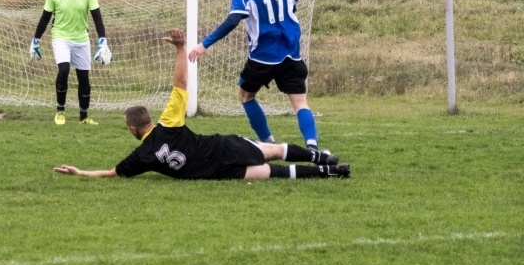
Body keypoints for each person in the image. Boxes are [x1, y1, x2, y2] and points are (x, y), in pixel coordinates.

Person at [53, 29, 349, 181]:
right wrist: (181, 49)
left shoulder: (142, 156)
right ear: (149, 119)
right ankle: (320, 157)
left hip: (217, 171)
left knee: (272, 174)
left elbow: (111, 173)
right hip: (224, 147)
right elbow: (180, 84)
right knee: (274, 151)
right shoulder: (168, 123)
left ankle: (332, 172)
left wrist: (80, 172)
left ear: (132, 129)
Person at [188, 0, 322, 151]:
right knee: (300, 102)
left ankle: (268, 144)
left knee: (245, 96)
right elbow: (292, 9)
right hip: (292, 51)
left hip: (263, 54)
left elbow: (233, 20)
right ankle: (312, 147)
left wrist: (204, 44)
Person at [30, 0, 112, 126]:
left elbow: (97, 17)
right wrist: (36, 40)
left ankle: (84, 117)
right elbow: (45, 17)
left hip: (81, 39)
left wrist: (102, 39)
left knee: (84, 78)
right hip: (60, 37)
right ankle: (60, 111)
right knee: (64, 70)